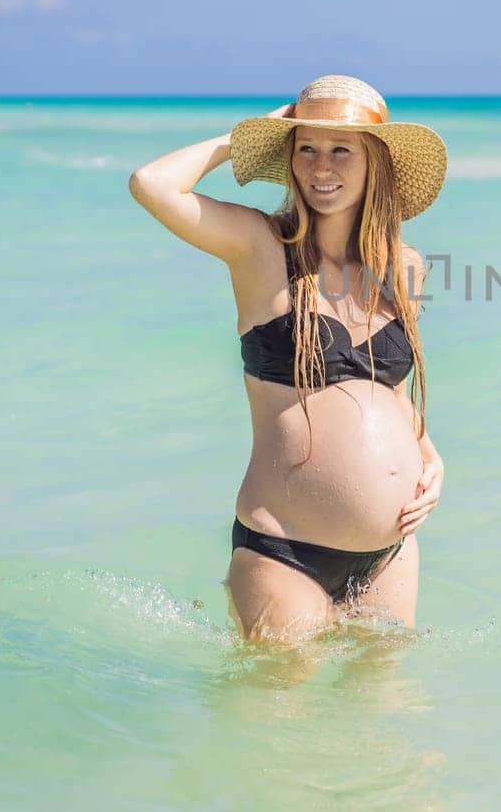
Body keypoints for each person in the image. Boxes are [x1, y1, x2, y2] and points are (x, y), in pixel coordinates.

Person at [127, 75, 448, 643]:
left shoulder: (403, 266)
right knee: (275, 719)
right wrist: (242, 139)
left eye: (341, 150)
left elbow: (391, 392)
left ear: (375, 162)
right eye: (306, 149)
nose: (321, 167)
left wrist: (429, 458)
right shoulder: (260, 247)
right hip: (284, 550)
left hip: (391, 553)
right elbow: (152, 185)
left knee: (387, 718)